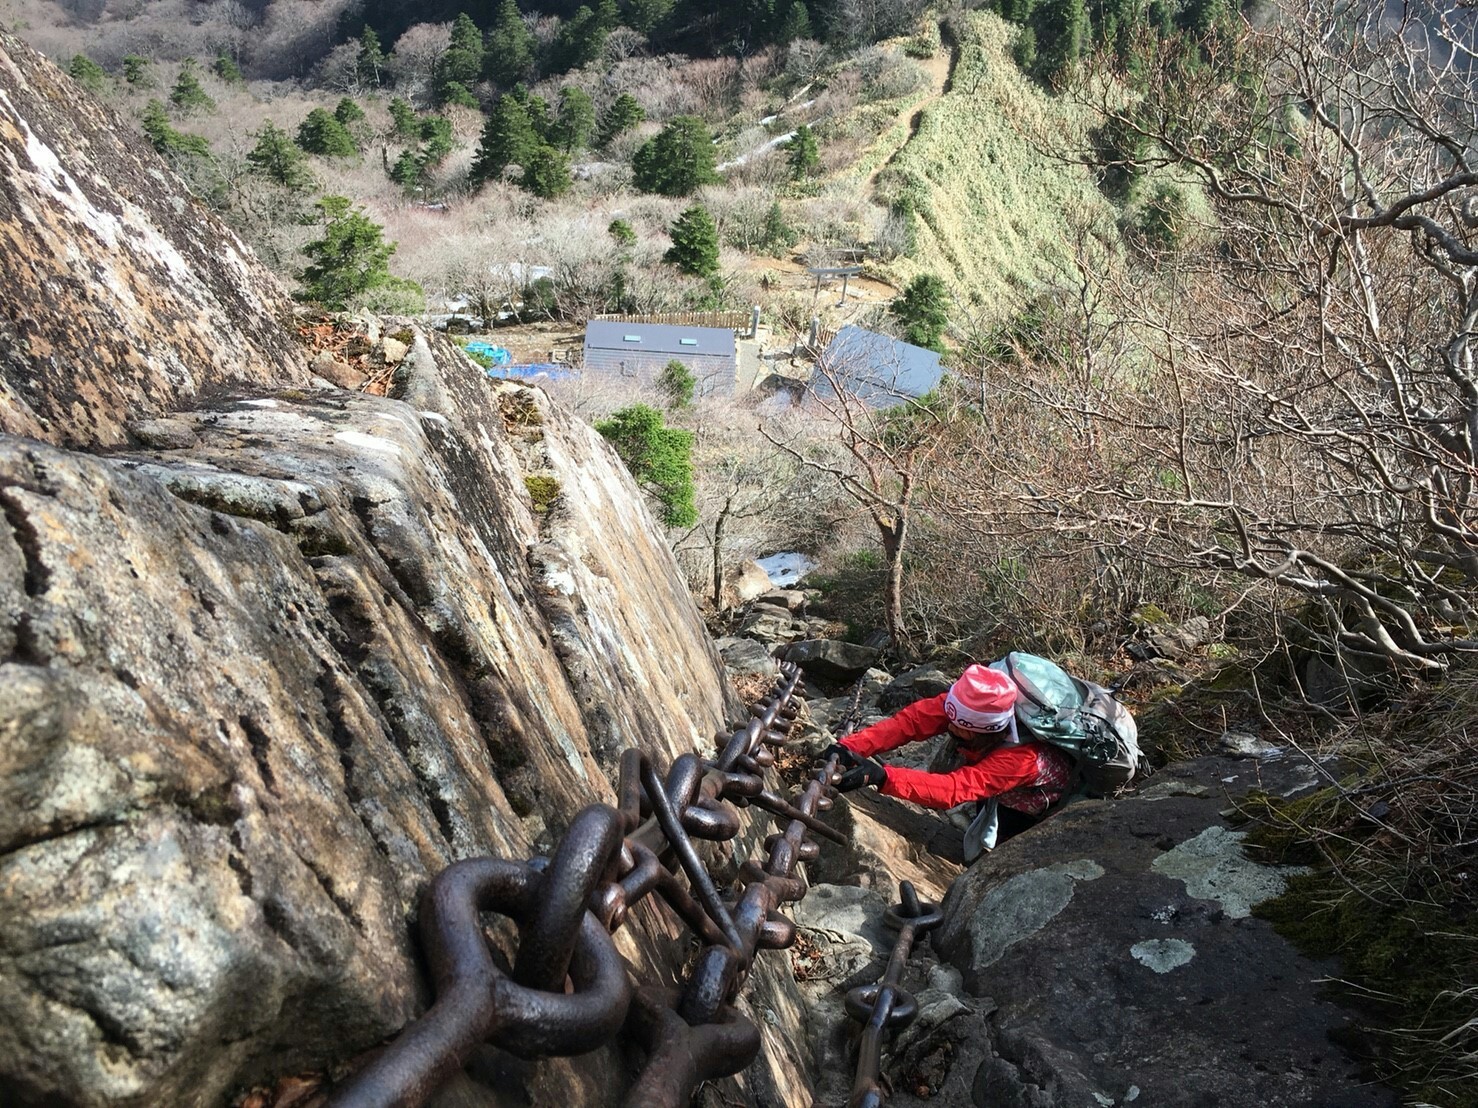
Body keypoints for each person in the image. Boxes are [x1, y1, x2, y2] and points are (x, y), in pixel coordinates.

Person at [822, 664, 1074, 859]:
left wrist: (883, 777)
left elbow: (956, 788)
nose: (950, 726)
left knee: (1007, 838)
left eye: (961, 728)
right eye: (950, 719)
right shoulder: (968, 704)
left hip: (1036, 798)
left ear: (987, 731)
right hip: (996, 766)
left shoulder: (1021, 759)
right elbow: (910, 723)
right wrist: (851, 746)